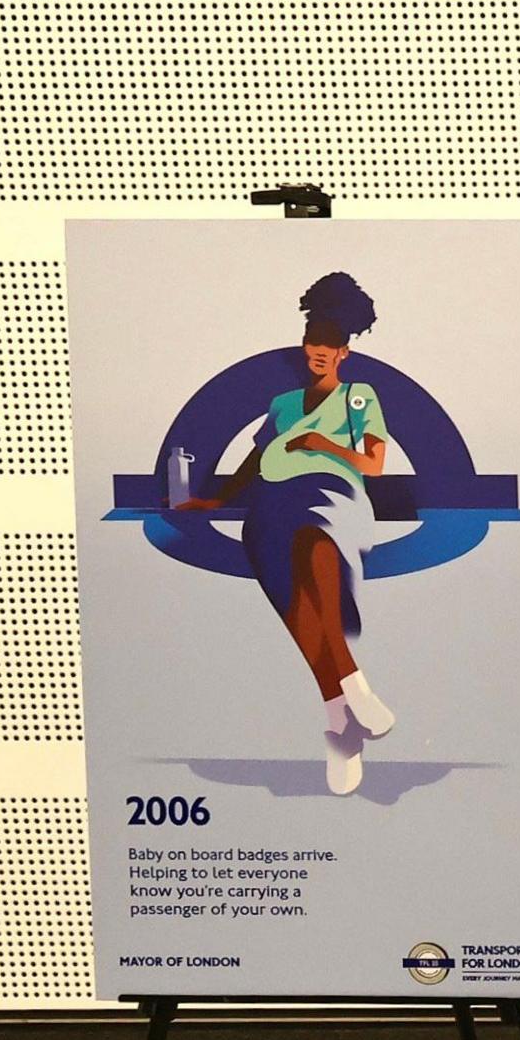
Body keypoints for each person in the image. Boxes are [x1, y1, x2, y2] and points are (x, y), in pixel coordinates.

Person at [177, 272, 396, 796]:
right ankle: (344, 715)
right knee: (295, 599)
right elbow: (257, 459)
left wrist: (324, 442)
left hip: (330, 495)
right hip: (270, 503)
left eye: (329, 344)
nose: (318, 351)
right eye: (312, 341)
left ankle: (350, 695)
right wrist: (220, 498)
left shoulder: (357, 398)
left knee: (312, 546)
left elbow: (374, 464)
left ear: (345, 351)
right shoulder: (282, 404)